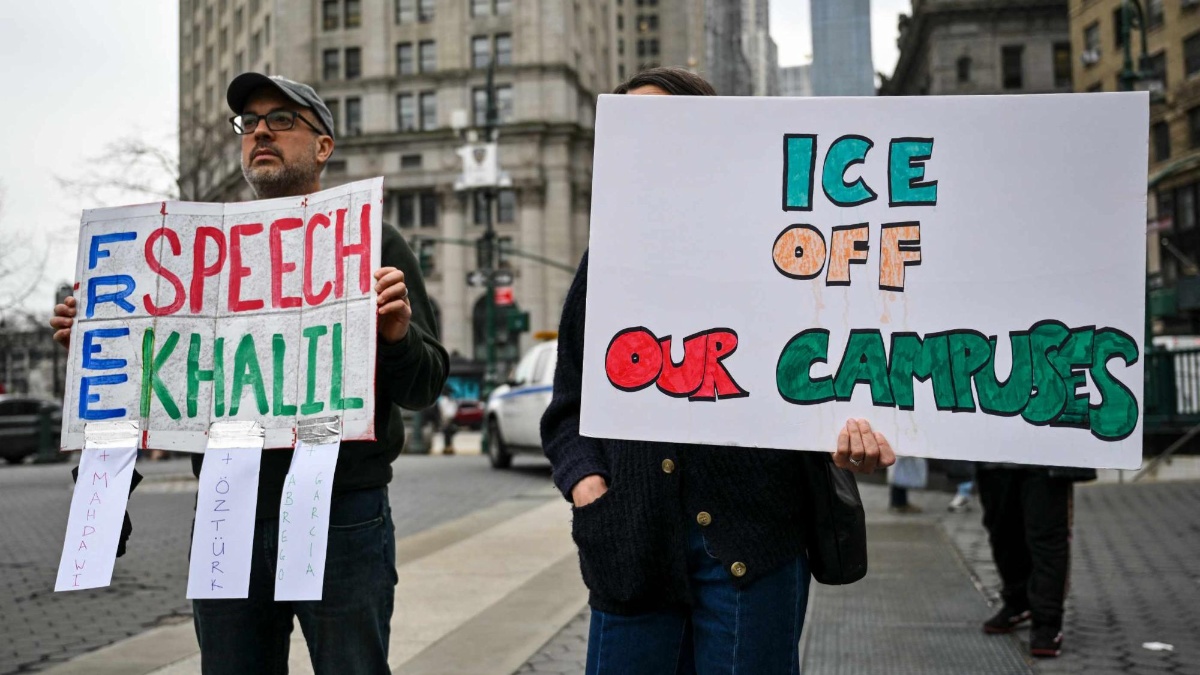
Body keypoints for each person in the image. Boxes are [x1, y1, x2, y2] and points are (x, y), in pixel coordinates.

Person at [50, 72, 449, 675]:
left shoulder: (370, 240)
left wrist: (395, 335)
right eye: (249, 122)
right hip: (225, 513)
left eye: (282, 119)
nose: (260, 130)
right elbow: (153, 385)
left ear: (323, 146)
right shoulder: (192, 253)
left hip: (341, 513)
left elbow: (425, 385)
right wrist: (101, 340)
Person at [540, 67, 896, 675]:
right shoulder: (609, 258)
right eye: (626, 127)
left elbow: (836, 381)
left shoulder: (789, 248)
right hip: (633, 547)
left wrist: (857, 438)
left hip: (755, 550)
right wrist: (588, 487)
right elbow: (567, 412)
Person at [977, 463, 1095, 659]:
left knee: (1047, 538)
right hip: (995, 460)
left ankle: (1047, 621)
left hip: (1045, 459)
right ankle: (1018, 601)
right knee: (1002, 533)